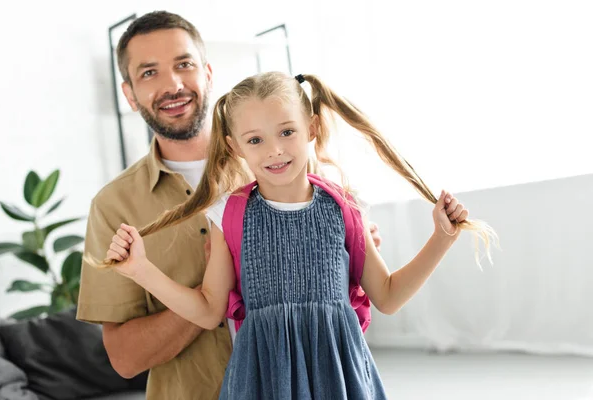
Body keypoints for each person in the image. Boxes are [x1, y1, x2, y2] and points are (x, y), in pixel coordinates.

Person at [99, 71, 496, 399]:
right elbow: (207, 310)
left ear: (312, 128)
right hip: (262, 381)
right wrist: (141, 270)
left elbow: (388, 296)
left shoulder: (345, 206)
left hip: (339, 380)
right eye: (256, 140)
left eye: (287, 132)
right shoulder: (229, 214)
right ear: (236, 147)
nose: (274, 150)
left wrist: (441, 238)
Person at [76, 11, 383, 400]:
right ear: (130, 95)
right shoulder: (112, 206)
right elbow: (124, 359)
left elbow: (350, 287)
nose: (172, 84)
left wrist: (351, 251)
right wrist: (217, 282)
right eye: (148, 73)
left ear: (207, 73)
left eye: (183, 64)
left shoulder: (284, 165)